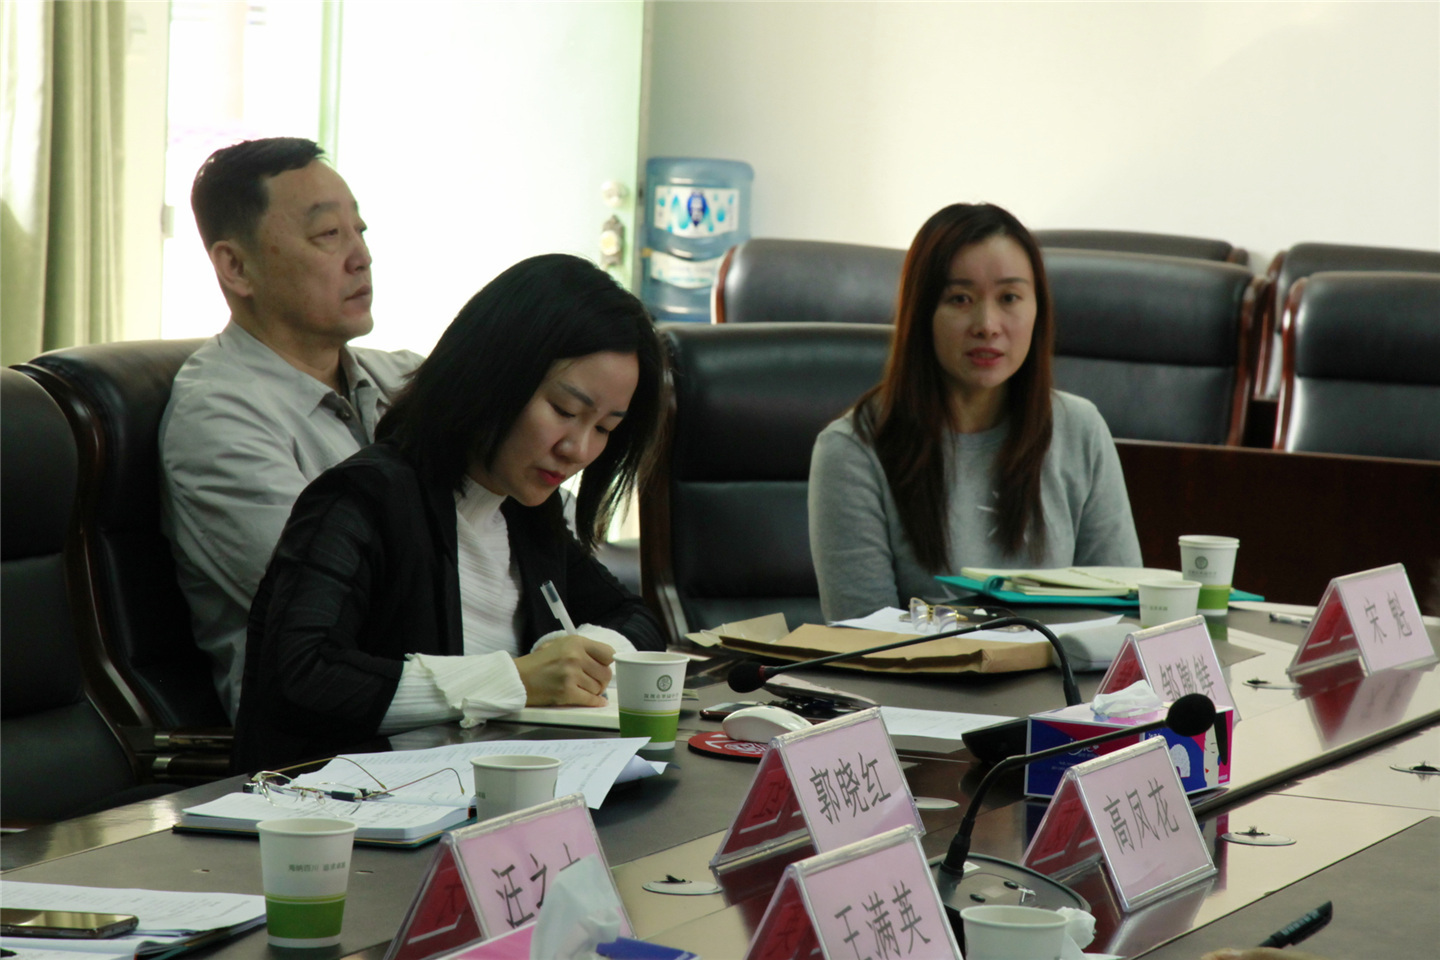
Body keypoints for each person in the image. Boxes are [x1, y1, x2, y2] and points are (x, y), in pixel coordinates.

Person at [232, 253, 667, 772]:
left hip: (493, 793)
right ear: (494, 373)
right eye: (565, 411)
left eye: (604, 428)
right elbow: (303, 676)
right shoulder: (363, 498)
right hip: (352, 804)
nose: (578, 449)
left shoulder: (525, 513)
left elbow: (637, 618)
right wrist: (515, 679)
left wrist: (582, 657)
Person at [159, 138, 422, 720]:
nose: (361, 257)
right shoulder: (219, 416)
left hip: (460, 701)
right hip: (326, 741)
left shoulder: (403, 379)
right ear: (236, 267)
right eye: (328, 234)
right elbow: (344, 611)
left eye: (360, 231)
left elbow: (546, 530)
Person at [808, 202, 1141, 621]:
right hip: (921, 667)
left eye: (1009, 298)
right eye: (960, 299)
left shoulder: (1079, 429)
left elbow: (1123, 615)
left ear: (1038, 309)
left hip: (1065, 666)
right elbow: (867, 640)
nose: (987, 324)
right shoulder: (852, 451)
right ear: (921, 312)